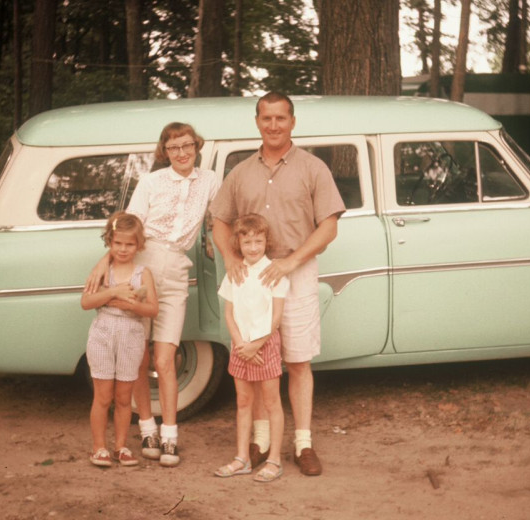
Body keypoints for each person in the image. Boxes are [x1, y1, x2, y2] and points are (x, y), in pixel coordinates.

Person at [210, 92, 346, 476]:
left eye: (280, 118)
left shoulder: (312, 167)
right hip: (252, 277)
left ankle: (303, 443)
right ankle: (262, 439)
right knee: (253, 358)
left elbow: (330, 225)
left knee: (298, 360)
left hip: (295, 269)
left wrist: (290, 261)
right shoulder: (240, 172)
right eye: (266, 118)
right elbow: (220, 221)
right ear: (257, 121)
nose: (273, 125)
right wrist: (231, 258)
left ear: (292, 122)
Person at [86, 122, 221, 467]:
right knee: (139, 358)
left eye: (187, 145)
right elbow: (127, 227)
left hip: (175, 268)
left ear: (196, 146)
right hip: (141, 267)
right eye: (174, 147)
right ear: (165, 151)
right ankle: (147, 428)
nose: (182, 153)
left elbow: (220, 221)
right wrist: (104, 260)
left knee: (165, 359)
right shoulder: (151, 182)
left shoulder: (210, 180)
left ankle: (170, 434)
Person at [214, 214, 288, 483]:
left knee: (271, 403)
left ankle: (274, 460)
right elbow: (230, 314)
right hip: (240, 345)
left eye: (258, 241)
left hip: (265, 345)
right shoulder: (236, 273)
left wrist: (256, 344)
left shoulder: (274, 272)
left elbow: (276, 316)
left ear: (266, 241)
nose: (254, 247)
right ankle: (242, 458)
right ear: (239, 243)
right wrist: (240, 345)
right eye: (247, 242)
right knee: (244, 402)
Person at [81, 212, 159, 467]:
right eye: (118, 243)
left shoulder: (142, 273)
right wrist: (114, 292)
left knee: (125, 398)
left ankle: (121, 446)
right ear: (110, 242)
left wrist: (132, 306)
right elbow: (86, 302)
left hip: (131, 335)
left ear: (139, 245)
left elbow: (152, 309)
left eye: (129, 244)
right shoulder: (103, 272)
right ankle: (99, 447)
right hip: (103, 334)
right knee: (103, 397)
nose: (123, 249)